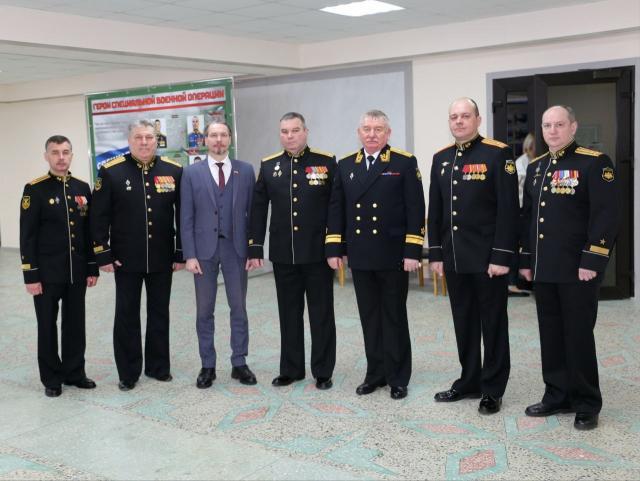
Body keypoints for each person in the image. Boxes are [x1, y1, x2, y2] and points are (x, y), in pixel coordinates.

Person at [519, 105, 619, 430]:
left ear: (573, 127)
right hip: (544, 268)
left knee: (578, 336)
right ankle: (557, 394)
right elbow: (529, 218)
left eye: (559, 124)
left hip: (578, 269)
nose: (552, 130)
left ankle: (587, 402)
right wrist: (526, 260)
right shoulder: (536, 167)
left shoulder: (594, 163)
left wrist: (593, 258)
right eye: (547, 125)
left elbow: (606, 215)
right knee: (550, 335)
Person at [428, 97, 519, 414]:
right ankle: (469, 380)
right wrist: (436, 254)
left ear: (478, 120)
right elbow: (436, 210)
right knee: (463, 322)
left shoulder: (497, 154)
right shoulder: (441, 158)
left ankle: (492, 388)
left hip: (487, 259)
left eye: (465, 116)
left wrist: (502, 256)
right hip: (454, 257)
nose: (459, 121)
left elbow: (508, 210)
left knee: (493, 324)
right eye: (454, 116)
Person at [326, 109, 425, 400]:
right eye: (367, 129)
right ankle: (375, 373)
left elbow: (415, 208)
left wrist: (413, 250)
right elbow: (336, 209)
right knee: (369, 316)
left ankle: (398, 376)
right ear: (359, 133)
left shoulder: (403, 162)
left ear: (388, 133)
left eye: (378, 129)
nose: (372, 134)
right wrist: (334, 248)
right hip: (361, 254)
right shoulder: (346, 165)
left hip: (393, 254)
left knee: (393, 315)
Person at [91, 120, 185, 391]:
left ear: (156, 140)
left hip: (162, 257)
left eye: (149, 137)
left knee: (160, 314)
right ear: (129, 141)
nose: (144, 142)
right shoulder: (111, 171)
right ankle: (128, 372)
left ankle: (158, 367)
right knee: (126, 316)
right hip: (126, 259)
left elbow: (183, 214)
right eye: (138, 138)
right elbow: (98, 216)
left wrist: (180, 252)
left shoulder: (173, 170)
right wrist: (104, 254)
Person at [247, 112, 336, 390]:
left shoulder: (325, 162)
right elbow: (259, 208)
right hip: (283, 253)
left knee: (321, 314)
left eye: (295, 130)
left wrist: (335, 245)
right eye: (284, 131)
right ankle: (291, 369)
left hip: (317, 253)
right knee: (288, 313)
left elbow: (335, 207)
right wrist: (255, 247)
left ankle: (323, 371)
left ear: (305, 131)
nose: (290, 136)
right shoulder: (269, 165)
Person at [20, 135, 99, 397]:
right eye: (55, 152)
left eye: (65, 152)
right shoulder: (35, 189)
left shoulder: (82, 187)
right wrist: (31, 275)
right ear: (47, 156)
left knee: (75, 324)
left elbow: (87, 232)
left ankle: (74, 372)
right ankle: (52, 377)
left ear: (72, 155)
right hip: (46, 273)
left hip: (76, 271)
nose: (61, 157)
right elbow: (27, 236)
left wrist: (91, 267)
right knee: (47, 325)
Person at [181, 122, 257, 388]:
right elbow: (186, 217)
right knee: (205, 310)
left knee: (239, 308)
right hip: (203, 252)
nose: (218, 140)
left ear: (230, 139)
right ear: (205, 140)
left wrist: (253, 249)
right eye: (213, 135)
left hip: (236, 250)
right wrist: (189, 255)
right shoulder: (191, 173)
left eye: (223, 135)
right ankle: (207, 365)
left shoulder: (245, 170)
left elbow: (253, 214)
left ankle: (239, 362)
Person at [509, 133, 536, 296]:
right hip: (519, 210)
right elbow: (519, 191)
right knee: (516, 246)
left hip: (528, 209)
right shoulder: (521, 164)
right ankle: (512, 283)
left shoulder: (534, 161)